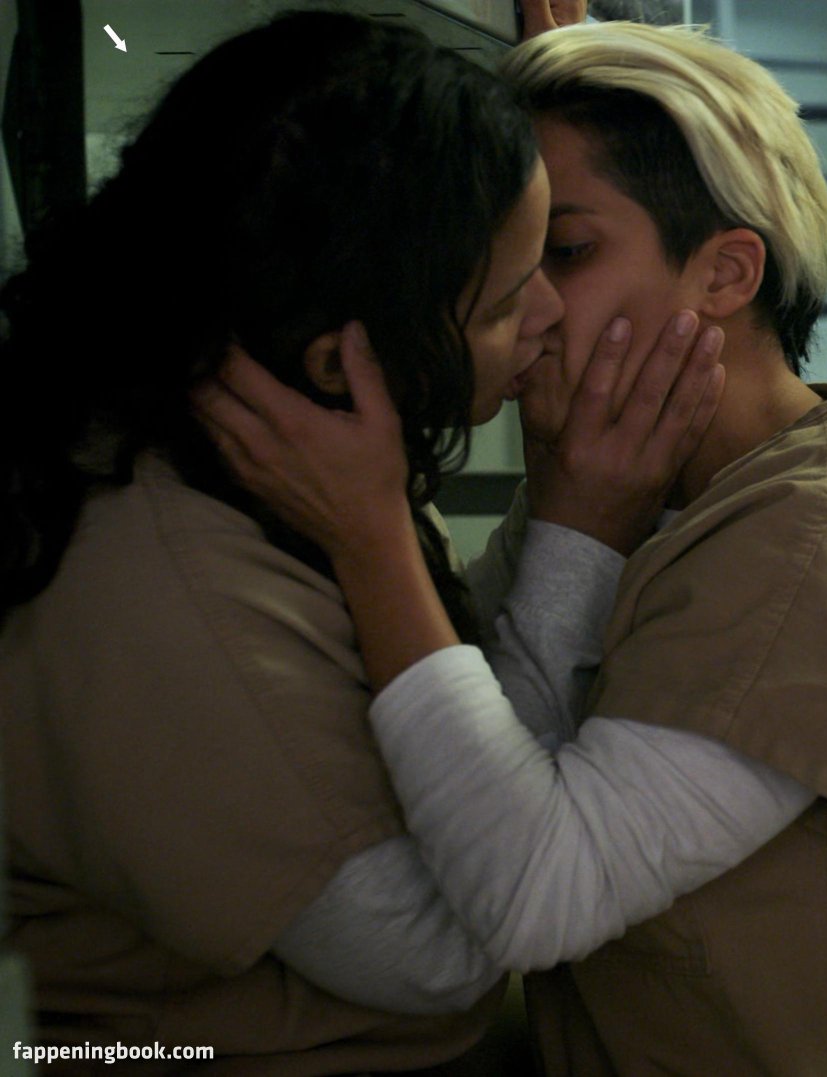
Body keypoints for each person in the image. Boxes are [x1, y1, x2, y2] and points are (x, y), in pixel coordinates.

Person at [203, 19, 827, 1075]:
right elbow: (474, 754)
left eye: (566, 251)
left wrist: (371, 526)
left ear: (726, 273)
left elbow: (529, 895)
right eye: (500, 255)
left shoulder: (811, 535)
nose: (521, 306)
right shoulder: (635, 478)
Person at [0, 10, 718, 1069]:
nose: (552, 315)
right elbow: (444, 953)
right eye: (508, 299)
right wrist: (574, 536)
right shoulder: (160, 587)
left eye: (559, 257)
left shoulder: (279, 440)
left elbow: (433, 686)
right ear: (344, 357)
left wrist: (526, 512)